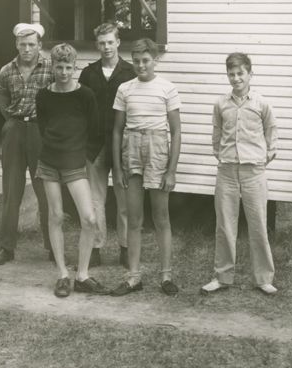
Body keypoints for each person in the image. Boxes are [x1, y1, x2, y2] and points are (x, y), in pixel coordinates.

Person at [201, 53, 279, 296]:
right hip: (226, 171)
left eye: (240, 74)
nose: (236, 79)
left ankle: (263, 278)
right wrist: (222, 155)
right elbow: (216, 135)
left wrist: (263, 156)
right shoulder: (221, 104)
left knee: (258, 225)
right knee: (225, 225)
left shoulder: (261, 104)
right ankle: (222, 277)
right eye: (231, 74)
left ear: (250, 74)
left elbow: (271, 132)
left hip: (253, 171)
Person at [110, 38, 182, 296]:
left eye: (146, 60)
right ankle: (133, 277)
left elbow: (175, 130)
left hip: (157, 148)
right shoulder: (125, 89)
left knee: (161, 216)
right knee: (134, 217)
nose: (141, 65)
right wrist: (117, 168)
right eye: (136, 61)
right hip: (132, 148)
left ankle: (165, 276)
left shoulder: (167, 88)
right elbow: (117, 131)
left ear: (155, 60)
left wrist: (171, 171)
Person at [36, 43, 109, 297]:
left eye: (68, 67)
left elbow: (96, 132)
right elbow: (43, 127)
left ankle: (82, 274)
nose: (64, 72)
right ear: (52, 67)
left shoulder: (85, 95)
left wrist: (83, 157)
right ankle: (63, 275)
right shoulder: (43, 95)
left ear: (75, 67)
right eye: (59, 67)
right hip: (49, 163)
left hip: (75, 164)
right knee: (55, 216)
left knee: (89, 219)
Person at [0, 22, 53, 266]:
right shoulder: (6, 70)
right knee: (11, 191)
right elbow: (2, 101)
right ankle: (6, 248)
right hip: (14, 130)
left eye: (31, 44)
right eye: (23, 44)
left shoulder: (51, 67)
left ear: (39, 46)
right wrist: (13, 123)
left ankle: (52, 247)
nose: (27, 49)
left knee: (45, 191)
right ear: (16, 44)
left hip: (41, 131)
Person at [79, 22, 136, 269]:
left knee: (124, 200)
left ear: (118, 42)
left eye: (110, 42)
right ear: (96, 45)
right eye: (102, 43)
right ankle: (95, 248)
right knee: (95, 199)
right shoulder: (88, 73)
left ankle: (125, 248)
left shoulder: (130, 72)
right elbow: (80, 110)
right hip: (94, 144)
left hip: (122, 145)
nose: (106, 47)